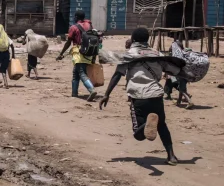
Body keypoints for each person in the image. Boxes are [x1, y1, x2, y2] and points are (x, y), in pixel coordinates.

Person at [99, 28, 183, 165]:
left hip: (138, 97)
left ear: (133, 39)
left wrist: (106, 94)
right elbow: (175, 70)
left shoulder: (129, 55)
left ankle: (148, 123)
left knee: (138, 134)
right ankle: (171, 156)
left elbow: (117, 75)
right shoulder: (158, 54)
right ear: (147, 39)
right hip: (156, 95)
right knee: (162, 125)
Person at [57, 10, 99, 101]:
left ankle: (91, 90)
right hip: (89, 52)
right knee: (76, 73)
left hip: (79, 52)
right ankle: (74, 93)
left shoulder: (74, 27)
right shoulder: (89, 25)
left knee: (81, 72)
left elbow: (69, 42)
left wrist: (61, 53)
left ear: (76, 17)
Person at [166, 36, 193, 108]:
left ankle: (189, 101)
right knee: (182, 88)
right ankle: (178, 102)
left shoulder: (178, 56)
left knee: (182, 90)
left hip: (181, 75)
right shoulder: (184, 54)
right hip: (187, 74)